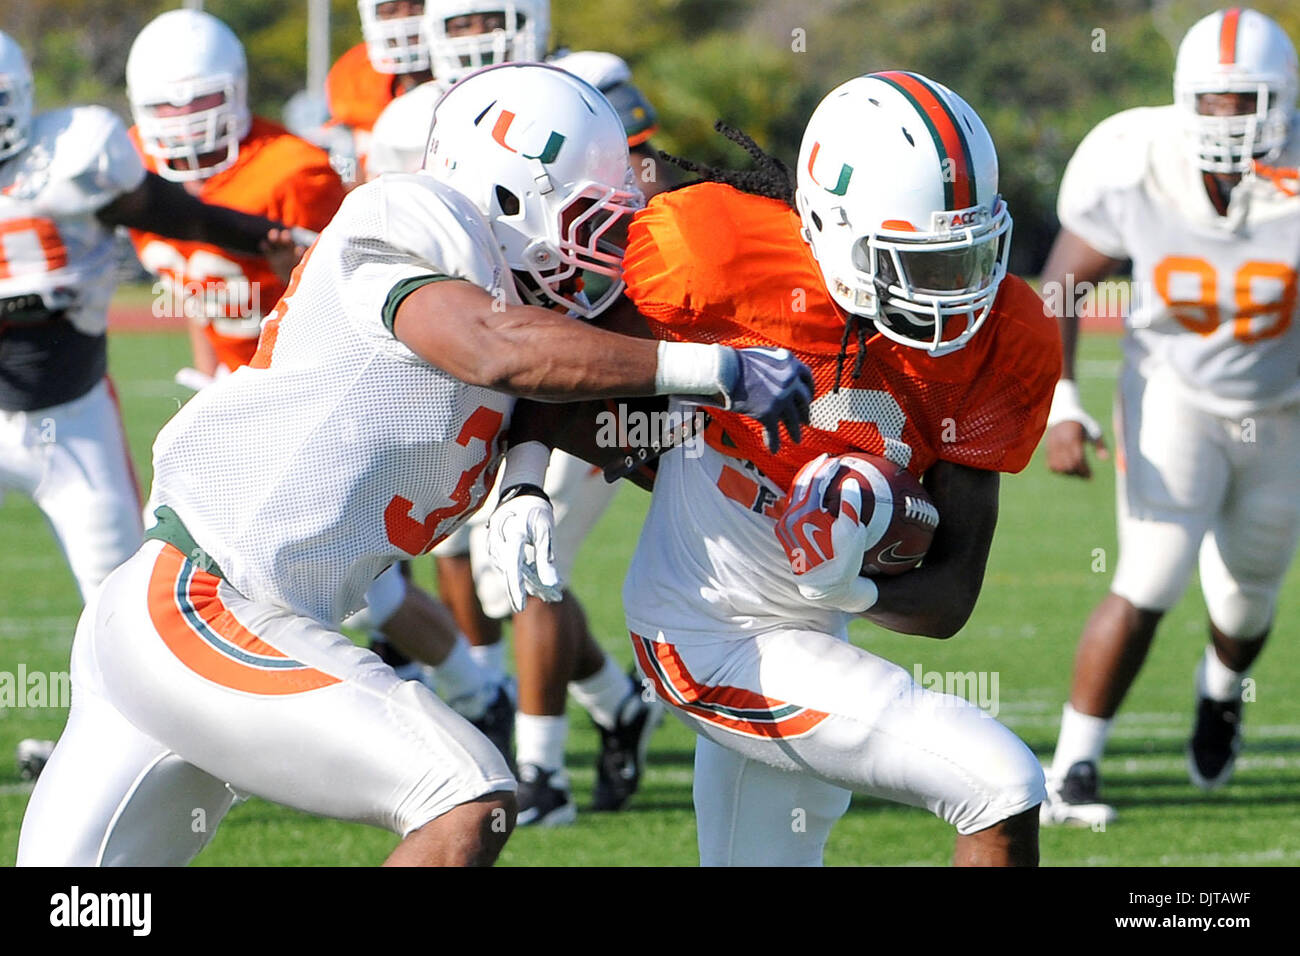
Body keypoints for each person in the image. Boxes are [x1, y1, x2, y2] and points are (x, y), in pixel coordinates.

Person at [15, 63, 811, 866]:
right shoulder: (412, 216)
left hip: (206, 623)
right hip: (204, 605)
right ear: (508, 191)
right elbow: (493, 348)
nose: (599, 254)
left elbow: (557, 395)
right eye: (585, 220)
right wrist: (712, 369)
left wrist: (533, 475)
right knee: (464, 796)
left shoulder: (514, 310)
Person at [508, 71, 1060, 865]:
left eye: (968, 258)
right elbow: (556, 344)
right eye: (917, 264)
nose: (953, 297)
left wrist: (853, 586)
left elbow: (950, 596)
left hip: (809, 633)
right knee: (1000, 783)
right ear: (829, 229)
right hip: (702, 628)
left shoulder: (1004, 339)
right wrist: (524, 474)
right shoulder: (712, 253)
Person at [365, 6, 674, 825]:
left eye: (487, 20)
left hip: (583, 342)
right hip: (481, 360)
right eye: (455, 21)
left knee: (532, 564)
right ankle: (614, 700)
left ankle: (540, 770)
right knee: (470, 555)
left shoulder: (592, 83)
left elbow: (646, 203)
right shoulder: (413, 113)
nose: (471, 39)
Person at [0, 28, 308, 778]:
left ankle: (120, 738)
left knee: (116, 597)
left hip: (69, 421)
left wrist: (266, 236)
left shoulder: (73, 158)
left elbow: (177, 214)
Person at [1040, 7, 1300, 825]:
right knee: (1149, 573)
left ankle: (1220, 691)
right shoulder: (1133, 157)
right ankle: (1073, 768)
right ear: (1184, 98)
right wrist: (1062, 402)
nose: (1227, 120)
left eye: (1247, 99)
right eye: (1212, 100)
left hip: (1284, 407)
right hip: (1174, 394)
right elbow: (1059, 284)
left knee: (1246, 602)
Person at [125, 8, 346, 381]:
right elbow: (199, 297)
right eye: (166, 103)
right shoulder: (134, 164)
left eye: (202, 97)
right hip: (232, 373)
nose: (185, 116)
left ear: (237, 89)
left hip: (313, 374)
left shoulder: (295, 170)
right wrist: (210, 379)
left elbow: (350, 306)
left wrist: (295, 278)